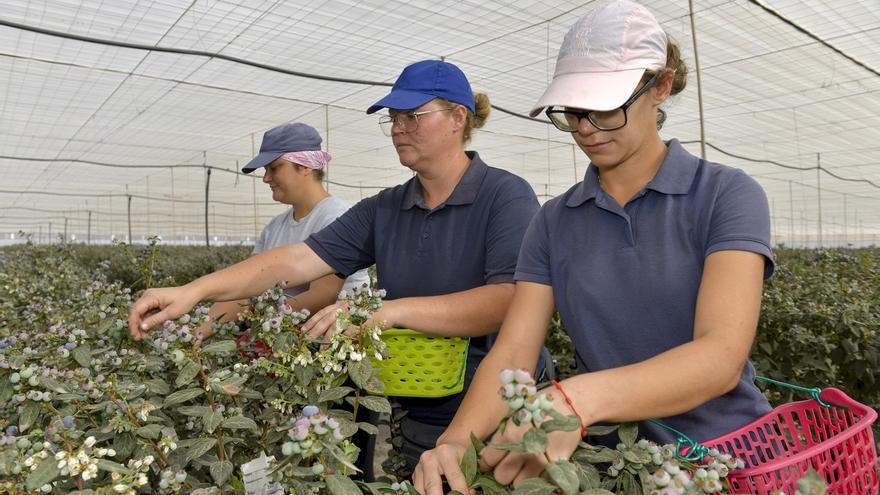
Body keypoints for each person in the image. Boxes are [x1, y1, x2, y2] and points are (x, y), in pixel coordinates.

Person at [413, 1, 775, 493]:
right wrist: (457, 441)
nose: (585, 127)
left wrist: (575, 398)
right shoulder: (554, 220)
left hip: (730, 461)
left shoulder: (725, 195)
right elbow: (515, 350)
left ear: (660, 86)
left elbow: (720, 356)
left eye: (605, 106)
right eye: (574, 110)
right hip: (611, 469)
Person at [128, 60, 549, 475]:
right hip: (420, 406)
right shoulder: (386, 208)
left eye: (413, 116)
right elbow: (296, 260)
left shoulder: (505, 196)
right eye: (393, 118)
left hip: (502, 407)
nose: (399, 128)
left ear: (458, 118)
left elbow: (506, 301)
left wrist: (385, 312)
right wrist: (194, 291)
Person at [195, 122, 369, 338]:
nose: (266, 178)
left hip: (332, 345)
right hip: (282, 339)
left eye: (274, 167)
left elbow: (321, 295)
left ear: (305, 166)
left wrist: (258, 325)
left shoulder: (337, 217)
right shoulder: (274, 227)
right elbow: (247, 288)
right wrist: (198, 332)